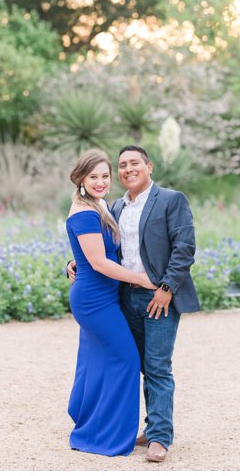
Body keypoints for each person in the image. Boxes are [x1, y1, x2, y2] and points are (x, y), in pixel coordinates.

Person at [68, 144, 199, 463]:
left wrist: (165, 288)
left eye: (134, 163)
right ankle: (140, 426)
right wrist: (73, 264)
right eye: (122, 165)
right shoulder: (112, 207)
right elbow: (97, 250)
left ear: (149, 166)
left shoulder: (171, 199)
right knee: (132, 362)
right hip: (123, 297)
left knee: (157, 366)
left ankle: (159, 437)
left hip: (158, 297)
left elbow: (185, 247)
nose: (128, 169)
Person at [65, 149, 157, 456]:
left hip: (104, 295)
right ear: (81, 179)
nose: (101, 182)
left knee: (96, 360)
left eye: (105, 176)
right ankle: (106, 433)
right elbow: (100, 262)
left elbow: (90, 253)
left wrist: (73, 261)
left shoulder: (100, 204)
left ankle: (90, 421)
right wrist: (143, 279)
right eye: (94, 177)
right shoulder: (85, 211)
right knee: (126, 359)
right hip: (94, 300)